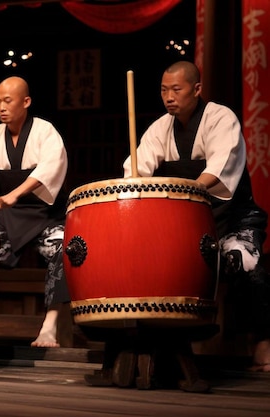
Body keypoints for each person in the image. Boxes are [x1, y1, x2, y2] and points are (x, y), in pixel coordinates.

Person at [122, 60, 270, 371]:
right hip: (185, 224)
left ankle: (262, 340)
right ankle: (162, 341)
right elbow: (136, 169)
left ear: (197, 89)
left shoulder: (221, 118)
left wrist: (181, 194)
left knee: (245, 261)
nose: (169, 97)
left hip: (232, 220)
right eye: (164, 90)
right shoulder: (160, 128)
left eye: (177, 89)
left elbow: (217, 169)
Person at [0, 76, 70, 347]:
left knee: (62, 248)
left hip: (45, 215)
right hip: (7, 215)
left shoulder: (45, 132)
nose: (2, 107)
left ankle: (49, 327)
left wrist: (15, 194)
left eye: (8, 101)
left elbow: (50, 169)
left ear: (26, 101)